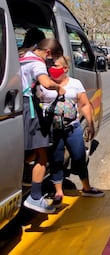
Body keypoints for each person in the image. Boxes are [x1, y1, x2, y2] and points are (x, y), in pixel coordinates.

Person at [40, 56, 104, 207]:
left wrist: (90, 124)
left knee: (79, 157)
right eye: (51, 65)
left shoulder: (75, 84)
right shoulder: (44, 83)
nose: (52, 68)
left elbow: (84, 104)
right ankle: (58, 192)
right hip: (53, 129)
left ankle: (86, 187)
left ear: (65, 68)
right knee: (56, 160)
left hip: (72, 128)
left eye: (55, 65)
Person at [20, 38, 65, 213]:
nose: (51, 63)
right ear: (47, 53)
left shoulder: (23, 56)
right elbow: (46, 82)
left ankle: (26, 175)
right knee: (42, 153)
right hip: (29, 108)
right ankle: (35, 197)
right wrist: (58, 87)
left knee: (29, 149)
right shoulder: (37, 63)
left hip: (20, 105)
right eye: (52, 59)